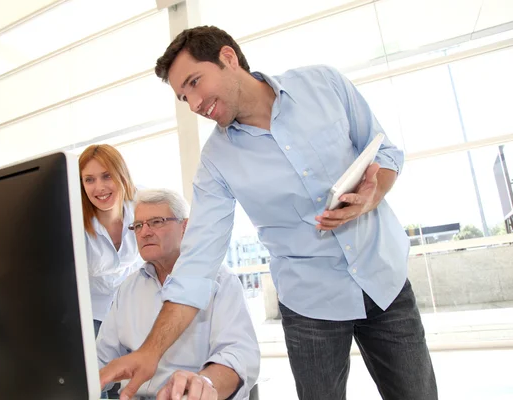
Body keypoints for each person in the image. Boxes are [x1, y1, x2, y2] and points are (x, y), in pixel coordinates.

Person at [101, 26, 438, 400]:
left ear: (228, 58)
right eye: (184, 97)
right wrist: (150, 352)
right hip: (311, 306)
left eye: (195, 83)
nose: (194, 104)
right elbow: (196, 265)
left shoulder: (323, 84)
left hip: (384, 279)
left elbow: (385, 154)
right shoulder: (216, 162)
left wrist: (376, 193)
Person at [97, 189, 260, 400]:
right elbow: (102, 358)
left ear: (185, 227)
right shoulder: (128, 289)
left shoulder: (220, 281)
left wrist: (205, 383)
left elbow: (240, 355)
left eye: (156, 222)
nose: (144, 232)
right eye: (138, 225)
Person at [79, 144, 142, 337]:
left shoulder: (142, 204)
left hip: (134, 308)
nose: (99, 187)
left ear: (121, 174)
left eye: (107, 176)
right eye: (89, 180)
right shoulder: (73, 220)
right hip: (92, 316)